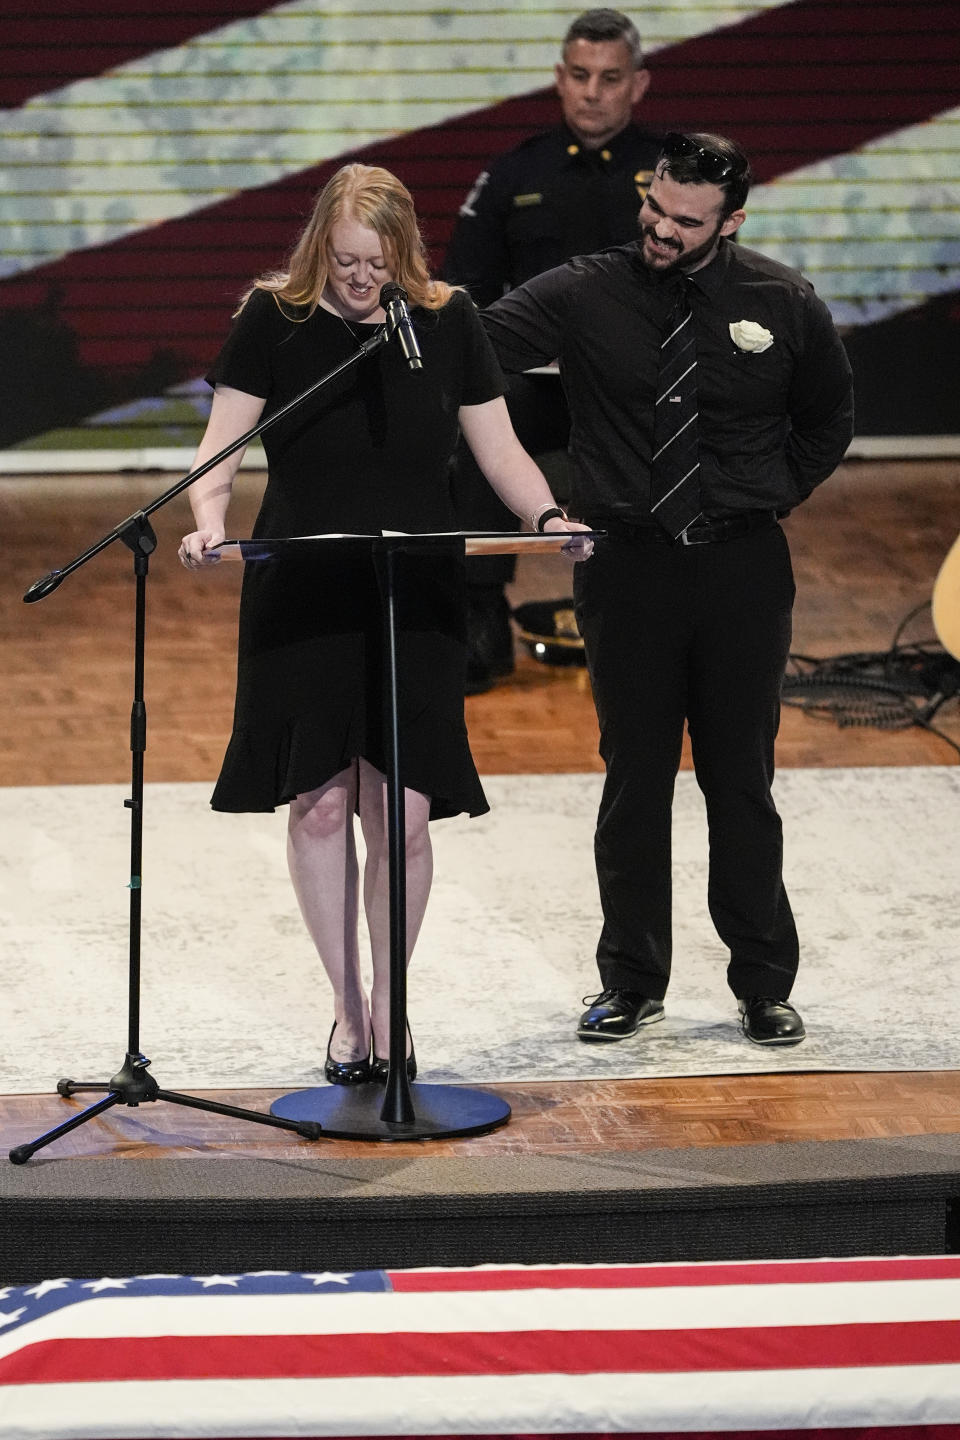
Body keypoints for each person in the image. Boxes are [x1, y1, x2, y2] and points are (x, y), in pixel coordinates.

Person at [178, 163, 589, 1086]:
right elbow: (222, 444)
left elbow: (500, 446)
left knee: (398, 812)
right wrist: (209, 521)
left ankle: (396, 1004)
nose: (359, 280)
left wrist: (549, 520)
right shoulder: (274, 319)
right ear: (320, 242)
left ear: (404, 253)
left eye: (375, 263)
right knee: (321, 803)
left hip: (414, 585)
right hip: (307, 582)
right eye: (344, 259)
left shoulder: (446, 323)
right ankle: (348, 1010)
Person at [481, 133, 855, 1047]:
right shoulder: (582, 288)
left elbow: (828, 421)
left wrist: (762, 496)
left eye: (686, 221)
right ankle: (631, 981)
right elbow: (475, 348)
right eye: (655, 207)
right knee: (634, 781)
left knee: (742, 783)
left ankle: (764, 982)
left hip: (741, 569)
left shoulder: (782, 300)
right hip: (626, 566)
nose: (661, 228)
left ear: (730, 222)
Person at [443, 8, 661, 692]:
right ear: (558, 80)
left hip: (638, 386)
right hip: (536, 386)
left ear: (638, 85)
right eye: (579, 75)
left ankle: (645, 624)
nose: (593, 91)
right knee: (478, 426)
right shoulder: (514, 173)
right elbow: (464, 292)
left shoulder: (672, 174)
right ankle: (480, 621)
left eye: (609, 77)